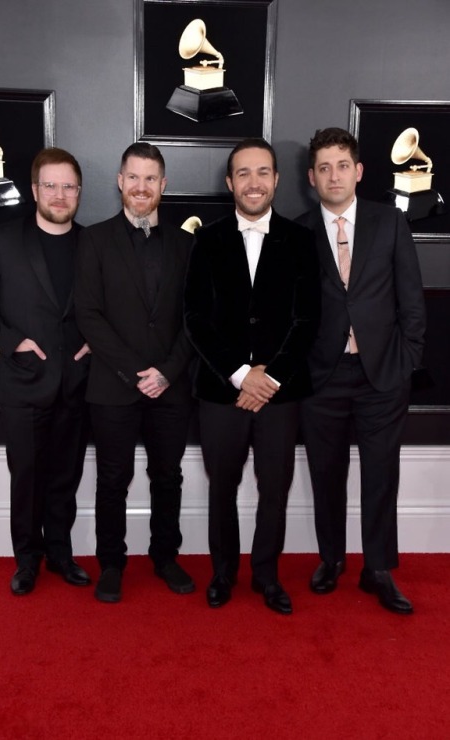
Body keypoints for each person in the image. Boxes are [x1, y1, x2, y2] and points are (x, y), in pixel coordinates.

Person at [184, 138, 320, 613]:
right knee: (222, 486)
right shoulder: (207, 239)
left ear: (277, 180)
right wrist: (242, 375)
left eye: (263, 172)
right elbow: (196, 319)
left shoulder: (302, 241)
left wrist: (269, 378)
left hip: (281, 394)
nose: (254, 182)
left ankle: (266, 575)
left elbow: (308, 320)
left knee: (274, 488)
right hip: (222, 393)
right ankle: (223, 573)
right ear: (229, 182)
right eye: (243, 173)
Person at [296, 127, 425, 614]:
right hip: (321, 377)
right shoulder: (297, 231)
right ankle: (331, 559)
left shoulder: (390, 222)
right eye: (324, 167)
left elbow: (411, 299)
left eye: (342, 165)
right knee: (326, 474)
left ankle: (378, 569)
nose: (334, 175)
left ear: (359, 171)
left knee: (380, 475)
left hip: (382, 375)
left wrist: (407, 360)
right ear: (311, 177)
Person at [0, 147, 92, 595]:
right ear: (34, 190)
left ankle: (60, 554)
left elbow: (110, 305)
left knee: (64, 477)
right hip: (22, 380)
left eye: (68, 186)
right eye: (50, 185)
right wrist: (13, 340)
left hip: (76, 381)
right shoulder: (3, 240)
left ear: (79, 192)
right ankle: (27, 560)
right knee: (28, 477)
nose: (59, 194)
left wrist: (98, 340)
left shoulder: (93, 243)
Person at [75, 142, 194, 603]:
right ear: (120, 182)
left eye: (151, 179)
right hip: (112, 385)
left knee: (168, 476)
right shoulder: (94, 239)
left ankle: (165, 557)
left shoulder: (187, 244)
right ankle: (112, 563)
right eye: (134, 178)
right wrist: (135, 371)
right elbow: (88, 314)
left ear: (163, 186)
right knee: (112, 478)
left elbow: (194, 317)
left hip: (172, 385)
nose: (141, 187)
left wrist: (165, 372)